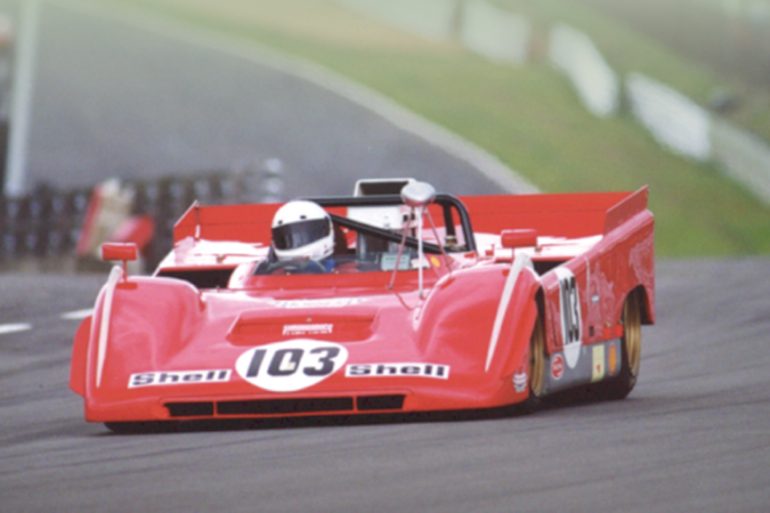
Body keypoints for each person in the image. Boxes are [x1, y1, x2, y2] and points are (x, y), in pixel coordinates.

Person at [257, 200, 336, 274]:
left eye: (306, 236)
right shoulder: (271, 275)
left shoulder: (343, 272)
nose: (297, 243)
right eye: (286, 239)